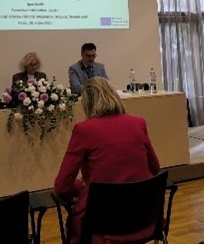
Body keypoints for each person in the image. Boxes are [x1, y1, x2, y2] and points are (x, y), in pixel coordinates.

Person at [54, 78, 161, 244]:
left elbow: (62, 186)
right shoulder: (138, 123)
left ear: (87, 102)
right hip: (144, 219)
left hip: (100, 228)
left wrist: (82, 187)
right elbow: (155, 169)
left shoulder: (84, 130)